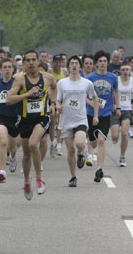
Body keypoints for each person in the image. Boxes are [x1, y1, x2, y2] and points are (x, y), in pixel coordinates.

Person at [6, 50, 57, 200]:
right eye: (28, 60)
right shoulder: (20, 80)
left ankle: (40, 180)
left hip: (42, 117)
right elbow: (9, 100)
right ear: (24, 64)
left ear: (38, 62)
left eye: (34, 60)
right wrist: (27, 94)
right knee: (27, 154)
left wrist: (53, 103)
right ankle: (27, 180)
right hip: (25, 119)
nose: (31, 63)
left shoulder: (47, 78)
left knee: (35, 144)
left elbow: (54, 87)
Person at [57, 55, 99, 187]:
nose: (74, 65)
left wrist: (96, 115)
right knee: (70, 150)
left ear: (80, 67)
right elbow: (58, 99)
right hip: (66, 120)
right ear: (68, 67)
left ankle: (81, 153)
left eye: (76, 63)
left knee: (80, 144)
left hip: (80, 119)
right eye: (72, 63)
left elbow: (94, 98)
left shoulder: (87, 83)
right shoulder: (62, 83)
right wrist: (58, 106)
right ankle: (73, 176)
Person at [86, 50, 120, 182]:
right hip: (90, 113)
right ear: (96, 64)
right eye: (100, 61)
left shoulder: (112, 77)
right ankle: (87, 151)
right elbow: (84, 96)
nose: (102, 63)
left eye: (105, 61)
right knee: (93, 142)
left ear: (108, 63)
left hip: (106, 113)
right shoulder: (90, 79)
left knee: (101, 141)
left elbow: (116, 90)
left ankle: (99, 168)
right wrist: (93, 103)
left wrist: (118, 107)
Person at [0, 58, 20, 183]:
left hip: (14, 117)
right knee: (3, 141)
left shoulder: (16, 83)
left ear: (13, 69)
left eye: (9, 67)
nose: (7, 69)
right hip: (0, 115)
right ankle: (2, 171)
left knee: (12, 147)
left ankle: (13, 158)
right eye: (5, 67)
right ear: (1, 70)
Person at [110, 62, 133, 166]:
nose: (125, 72)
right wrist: (113, 104)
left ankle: (122, 157)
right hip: (115, 110)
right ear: (120, 71)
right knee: (114, 136)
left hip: (127, 110)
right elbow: (111, 93)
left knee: (124, 133)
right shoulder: (116, 80)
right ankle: (115, 136)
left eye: (127, 70)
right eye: (123, 70)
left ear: (130, 70)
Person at [49, 54, 68, 157]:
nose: (58, 64)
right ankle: (52, 142)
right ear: (52, 63)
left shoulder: (65, 73)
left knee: (60, 122)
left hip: (62, 100)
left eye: (60, 62)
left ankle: (59, 144)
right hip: (52, 99)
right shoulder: (49, 73)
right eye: (56, 62)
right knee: (53, 122)